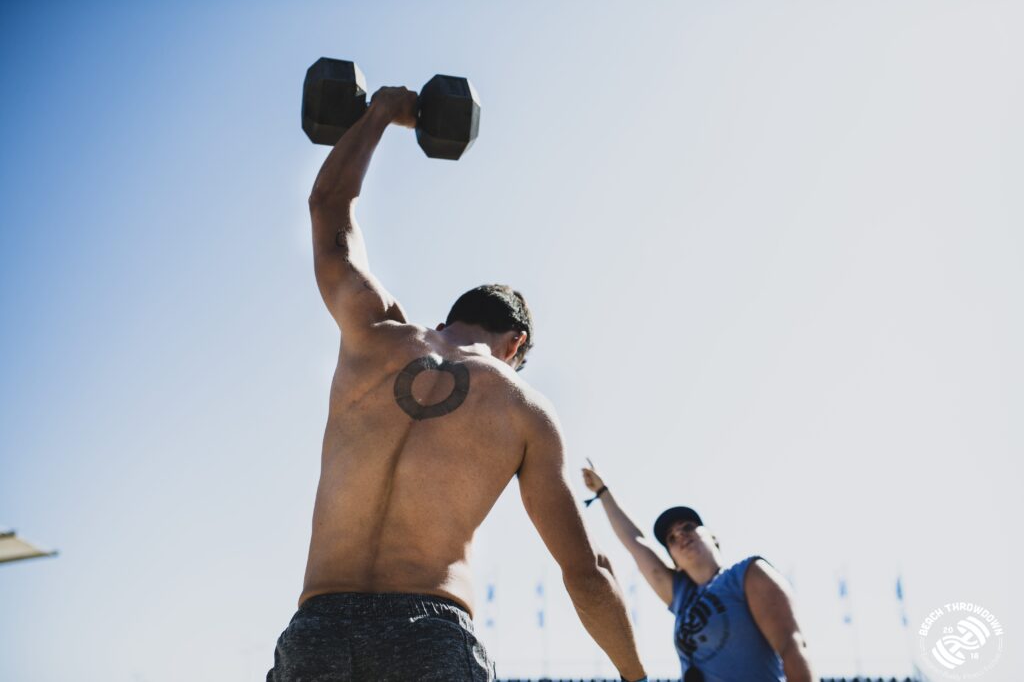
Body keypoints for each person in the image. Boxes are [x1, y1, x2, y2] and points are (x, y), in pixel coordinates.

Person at [266, 86, 648, 682]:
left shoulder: (372, 333)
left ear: (449, 319)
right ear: (515, 345)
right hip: (429, 639)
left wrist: (381, 114)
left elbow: (329, 206)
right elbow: (587, 571)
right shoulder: (525, 409)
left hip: (317, 634)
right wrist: (636, 675)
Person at [581, 462, 816, 682]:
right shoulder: (681, 596)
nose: (680, 535)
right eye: (671, 538)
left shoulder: (748, 573)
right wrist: (603, 492)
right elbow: (635, 541)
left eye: (688, 527)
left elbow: (792, 647)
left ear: (713, 538)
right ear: (674, 561)